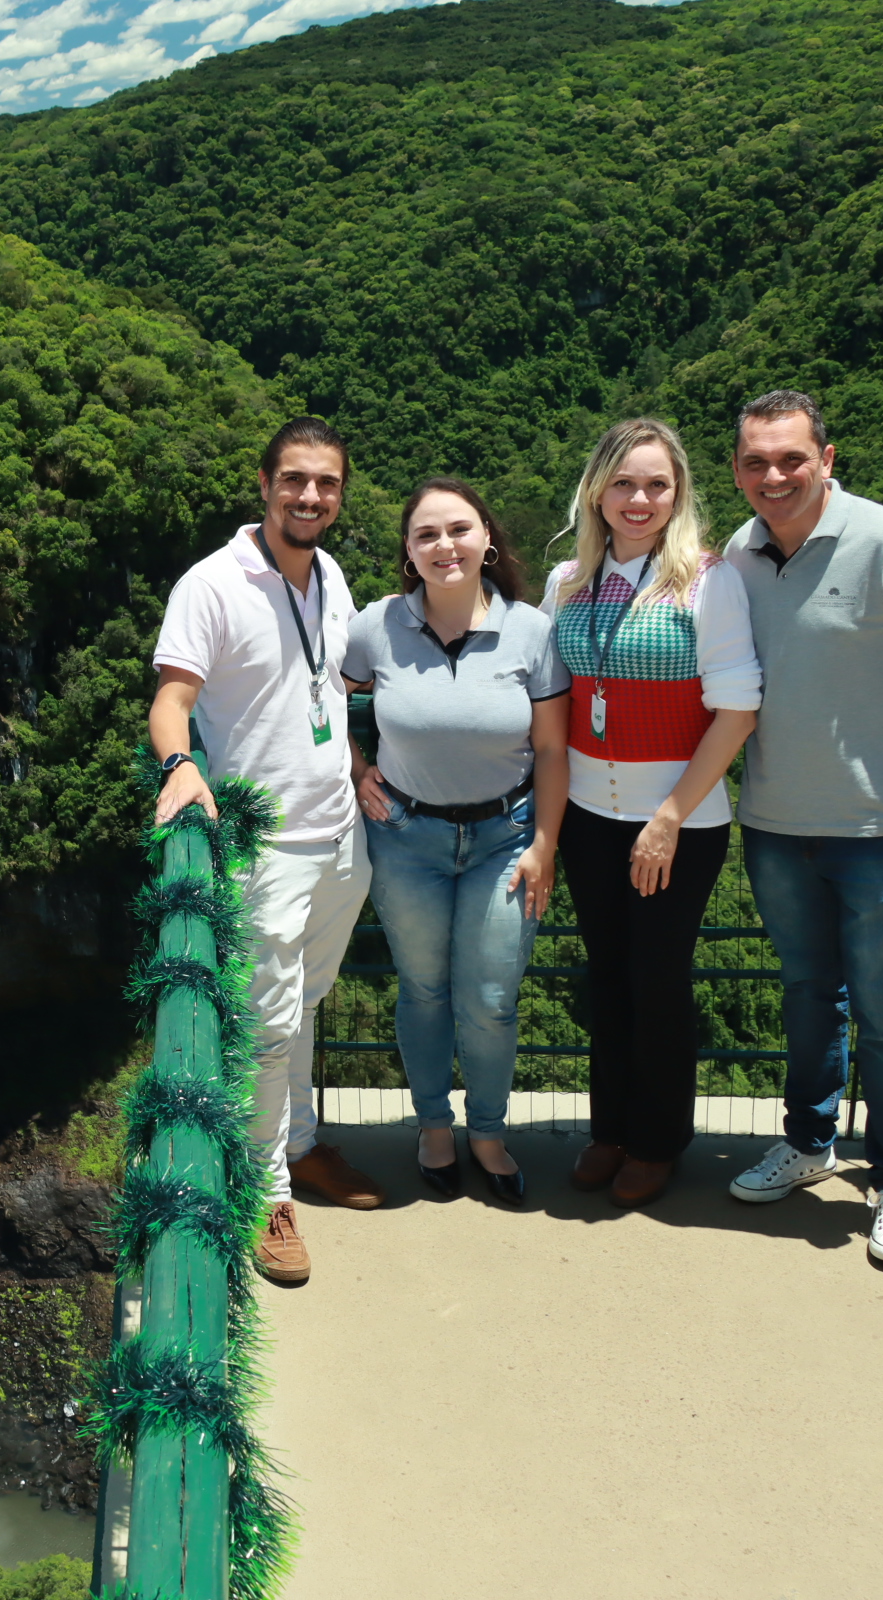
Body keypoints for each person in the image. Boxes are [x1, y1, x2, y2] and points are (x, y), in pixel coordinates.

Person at [721, 390, 883, 1268]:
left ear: (827, 458)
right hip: (776, 825)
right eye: (756, 462)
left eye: (791, 458)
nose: (775, 476)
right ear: (738, 472)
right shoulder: (740, 554)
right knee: (806, 997)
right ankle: (809, 1142)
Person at [150, 416, 379, 1286]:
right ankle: (266, 1191)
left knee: (307, 1002)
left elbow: (323, 690)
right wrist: (180, 764)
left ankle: (304, 1143)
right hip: (268, 842)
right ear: (264, 484)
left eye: (326, 483)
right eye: (295, 481)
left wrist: (356, 766)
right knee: (267, 1020)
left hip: (339, 834)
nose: (311, 496)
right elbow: (173, 698)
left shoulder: (330, 574)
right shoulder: (212, 584)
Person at [541, 419, 762, 1207]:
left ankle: (658, 1139)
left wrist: (667, 815)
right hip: (589, 816)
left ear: (679, 495)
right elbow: (552, 700)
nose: (640, 500)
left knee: (658, 980)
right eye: (625, 483)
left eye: (657, 485)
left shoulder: (709, 580)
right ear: (597, 489)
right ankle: (612, 1128)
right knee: (606, 976)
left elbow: (737, 710)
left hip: (677, 819)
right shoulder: (567, 580)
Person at [342, 478, 569, 1206]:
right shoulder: (376, 626)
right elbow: (321, 699)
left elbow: (555, 751)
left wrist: (545, 844)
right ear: (408, 552)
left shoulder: (530, 630)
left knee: (492, 997)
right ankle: (435, 1126)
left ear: (486, 539)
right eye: (426, 535)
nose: (445, 545)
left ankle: (489, 1134)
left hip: (506, 837)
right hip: (406, 836)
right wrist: (355, 769)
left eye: (459, 530)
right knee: (426, 988)